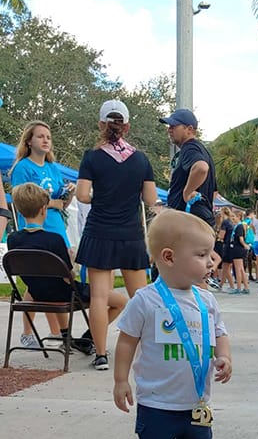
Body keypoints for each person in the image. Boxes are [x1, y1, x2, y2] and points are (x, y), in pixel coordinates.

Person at [113, 209, 233, 439]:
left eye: (210, 254)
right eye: (201, 255)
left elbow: (220, 332)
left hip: (196, 401)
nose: (211, 261)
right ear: (168, 257)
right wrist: (120, 380)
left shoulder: (206, 300)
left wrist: (224, 356)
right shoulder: (146, 300)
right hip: (158, 402)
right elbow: (126, 341)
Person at [75, 100, 157, 371]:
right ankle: (151, 350)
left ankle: (100, 355)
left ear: (101, 125)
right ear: (127, 127)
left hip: (99, 231)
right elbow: (150, 199)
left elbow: (82, 195)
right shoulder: (141, 159)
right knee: (142, 296)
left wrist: (101, 197)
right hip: (131, 233)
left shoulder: (91, 157)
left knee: (99, 296)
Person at [8, 183, 124, 353]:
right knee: (121, 302)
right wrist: (72, 259)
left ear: (18, 210)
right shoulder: (54, 239)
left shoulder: (13, 239)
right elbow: (67, 275)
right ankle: (88, 338)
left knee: (53, 286)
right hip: (64, 293)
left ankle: (66, 336)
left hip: (37, 293)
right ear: (44, 210)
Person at [9, 120, 76, 343]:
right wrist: (53, 203)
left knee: (56, 279)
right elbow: (23, 198)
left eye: (48, 137)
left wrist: (68, 195)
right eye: (40, 136)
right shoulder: (23, 168)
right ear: (29, 141)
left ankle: (60, 332)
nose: (46, 140)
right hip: (35, 230)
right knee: (36, 282)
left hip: (56, 229)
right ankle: (27, 333)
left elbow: (62, 204)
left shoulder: (52, 167)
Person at [160, 108, 216, 227]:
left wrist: (187, 192)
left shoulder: (189, 148)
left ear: (189, 129)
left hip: (187, 223)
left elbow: (201, 168)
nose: (169, 130)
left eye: (174, 126)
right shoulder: (203, 151)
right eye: (169, 126)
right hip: (200, 222)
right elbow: (214, 192)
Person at [227, 209, 250, 294]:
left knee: (238, 269)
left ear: (239, 217)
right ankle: (246, 287)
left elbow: (241, 239)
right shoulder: (237, 226)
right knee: (241, 269)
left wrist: (245, 245)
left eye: (234, 216)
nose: (232, 218)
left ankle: (239, 288)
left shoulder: (239, 226)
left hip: (237, 249)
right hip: (237, 248)